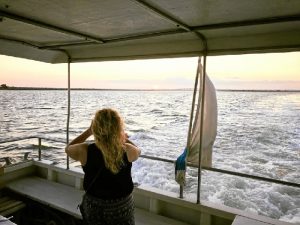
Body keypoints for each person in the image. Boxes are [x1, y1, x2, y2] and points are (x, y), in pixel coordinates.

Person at [65, 108, 141, 225]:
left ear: (95, 128)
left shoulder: (84, 150)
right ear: (118, 128)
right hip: (121, 207)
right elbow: (138, 151)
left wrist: (88, 132)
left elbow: (68, 148)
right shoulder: (127, 150)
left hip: (94, 206)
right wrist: (124, 139)